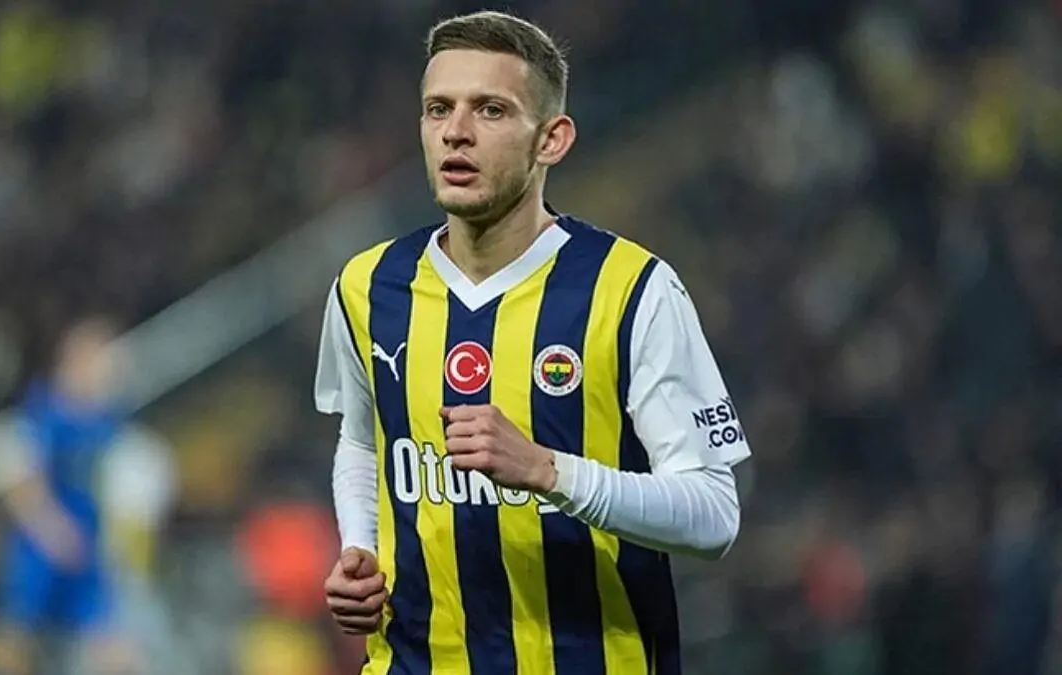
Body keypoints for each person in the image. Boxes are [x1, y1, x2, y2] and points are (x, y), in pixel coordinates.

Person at [314, 10, 751, 675]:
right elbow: (362, 441)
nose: (456, 132)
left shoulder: (631, 289)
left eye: (490, 110)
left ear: (552, 139)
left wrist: (549, 471)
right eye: (438, 109)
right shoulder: (367, 286)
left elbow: (715, 516)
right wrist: (360, 549)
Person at [0, 317, 138, 675]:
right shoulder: (42, 411)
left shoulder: (107, 418)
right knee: (15, 643)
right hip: (42, 546)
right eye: (103, 359)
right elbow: (20, 482)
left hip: (87, 546)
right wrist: (52, 530)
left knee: (117, 651)